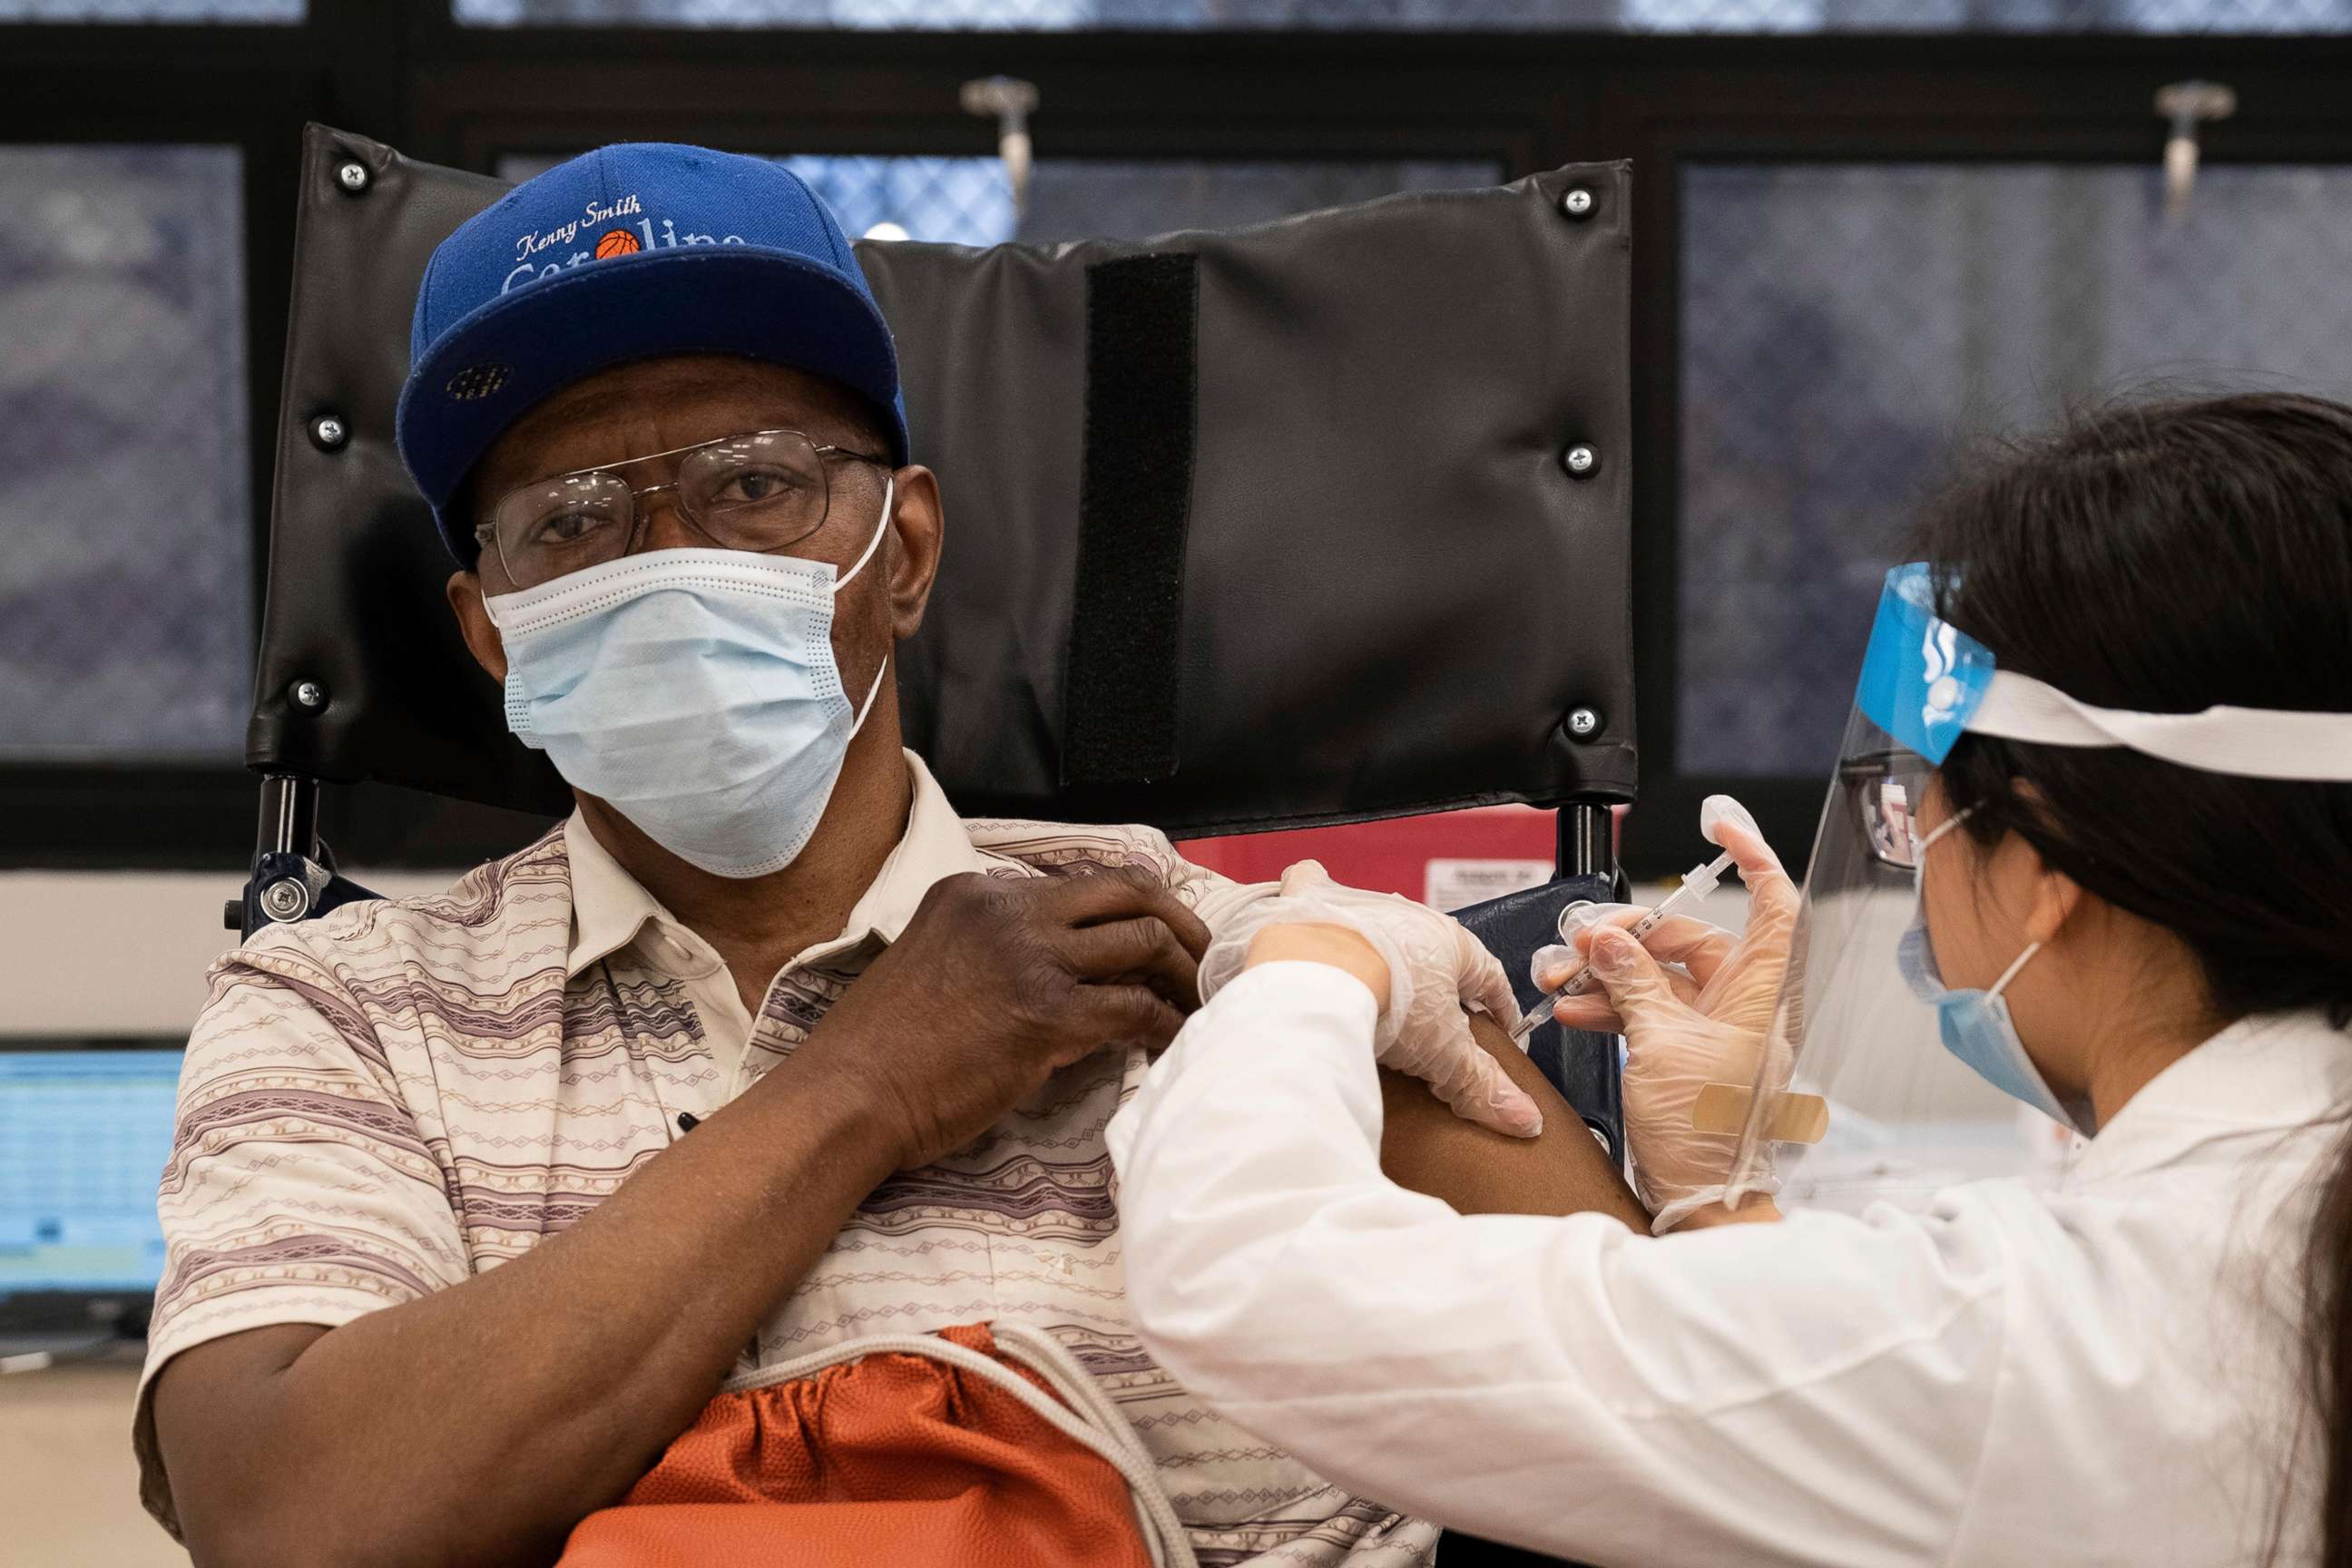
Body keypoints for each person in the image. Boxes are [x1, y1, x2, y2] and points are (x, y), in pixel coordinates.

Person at [134, 143, 1606, 1568]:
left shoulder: (1201, 945)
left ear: (901, 554)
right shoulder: (344, 1011)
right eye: (570, 520)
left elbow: (1647, 1392)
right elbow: (288, 1524)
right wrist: (874, 1081)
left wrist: (1339, 998)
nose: (663, 556)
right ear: (486, 628)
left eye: (756, 484)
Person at [1110, 393, 2352, 1566]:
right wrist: (1723, 1169)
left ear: (2043, 869)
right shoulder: (2235, 1240)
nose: (1917, 862)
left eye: (1926, 813)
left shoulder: (2058, 1336)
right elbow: (1855, 1429)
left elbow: (1253, 1278)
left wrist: (1313, 963)